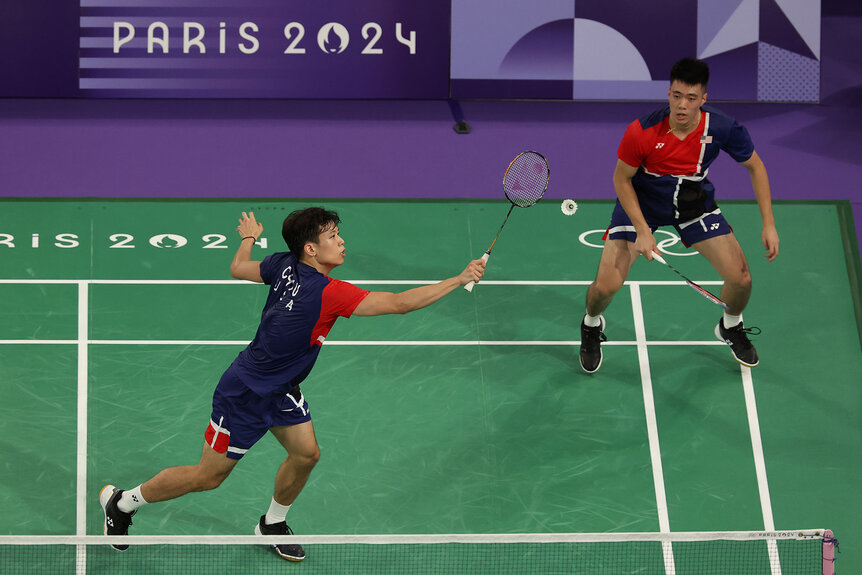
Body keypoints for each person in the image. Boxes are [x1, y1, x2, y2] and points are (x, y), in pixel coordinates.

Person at [99, 207, 486, 561]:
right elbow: (401, 304)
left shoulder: (283, 264)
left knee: (306, 455)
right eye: (333, 236)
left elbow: (238, 268)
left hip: (282, 388)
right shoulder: (329, 293)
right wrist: (459, 278)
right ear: (311, 249)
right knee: (208, 477)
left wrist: (249, 237)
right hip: (245, 393)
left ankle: (271, 524)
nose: (341, 241)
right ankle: (123, 503)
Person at [579, 57, 779, 374]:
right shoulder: (642, 131)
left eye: (690, 98)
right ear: (668, 93)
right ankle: (591, 325)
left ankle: (730, 325)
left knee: (741, 279)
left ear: (703, 99)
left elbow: (756, 166)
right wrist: (643, 231)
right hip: (641, 207)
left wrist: (769, 223)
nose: (681, 106)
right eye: (676, 96)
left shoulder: (721, 127)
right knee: (605, 287)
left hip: (693, 206)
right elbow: (621, 180)